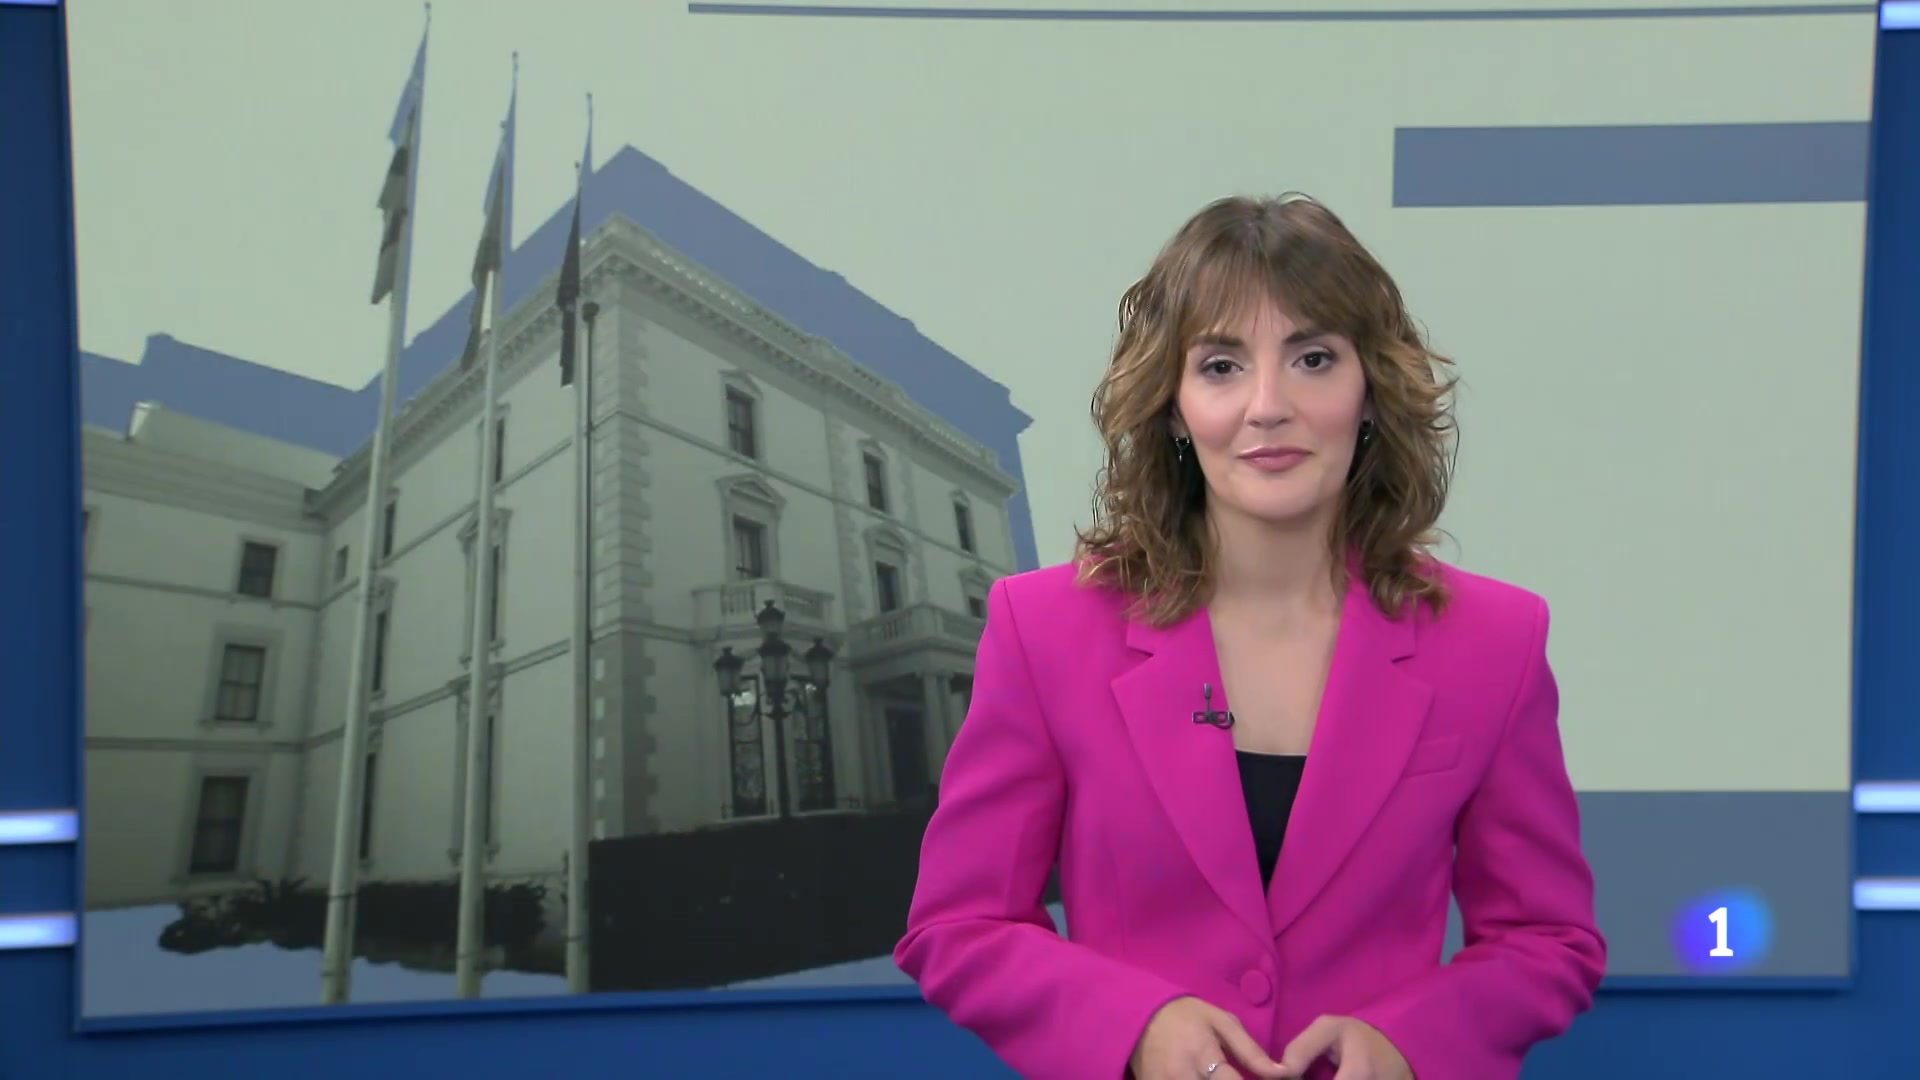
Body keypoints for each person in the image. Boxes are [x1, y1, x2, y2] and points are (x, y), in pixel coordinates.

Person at [893, 194, 1606, 1080]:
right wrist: (1136, 1030)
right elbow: (959, 925)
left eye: (1313, 359)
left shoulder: (1495, 641)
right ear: (1173, 407)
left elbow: (1546, 939)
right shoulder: (1044, 630)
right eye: (1222, 366)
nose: (1268, 406)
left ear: (1371, 392)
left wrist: (1408, 1044)